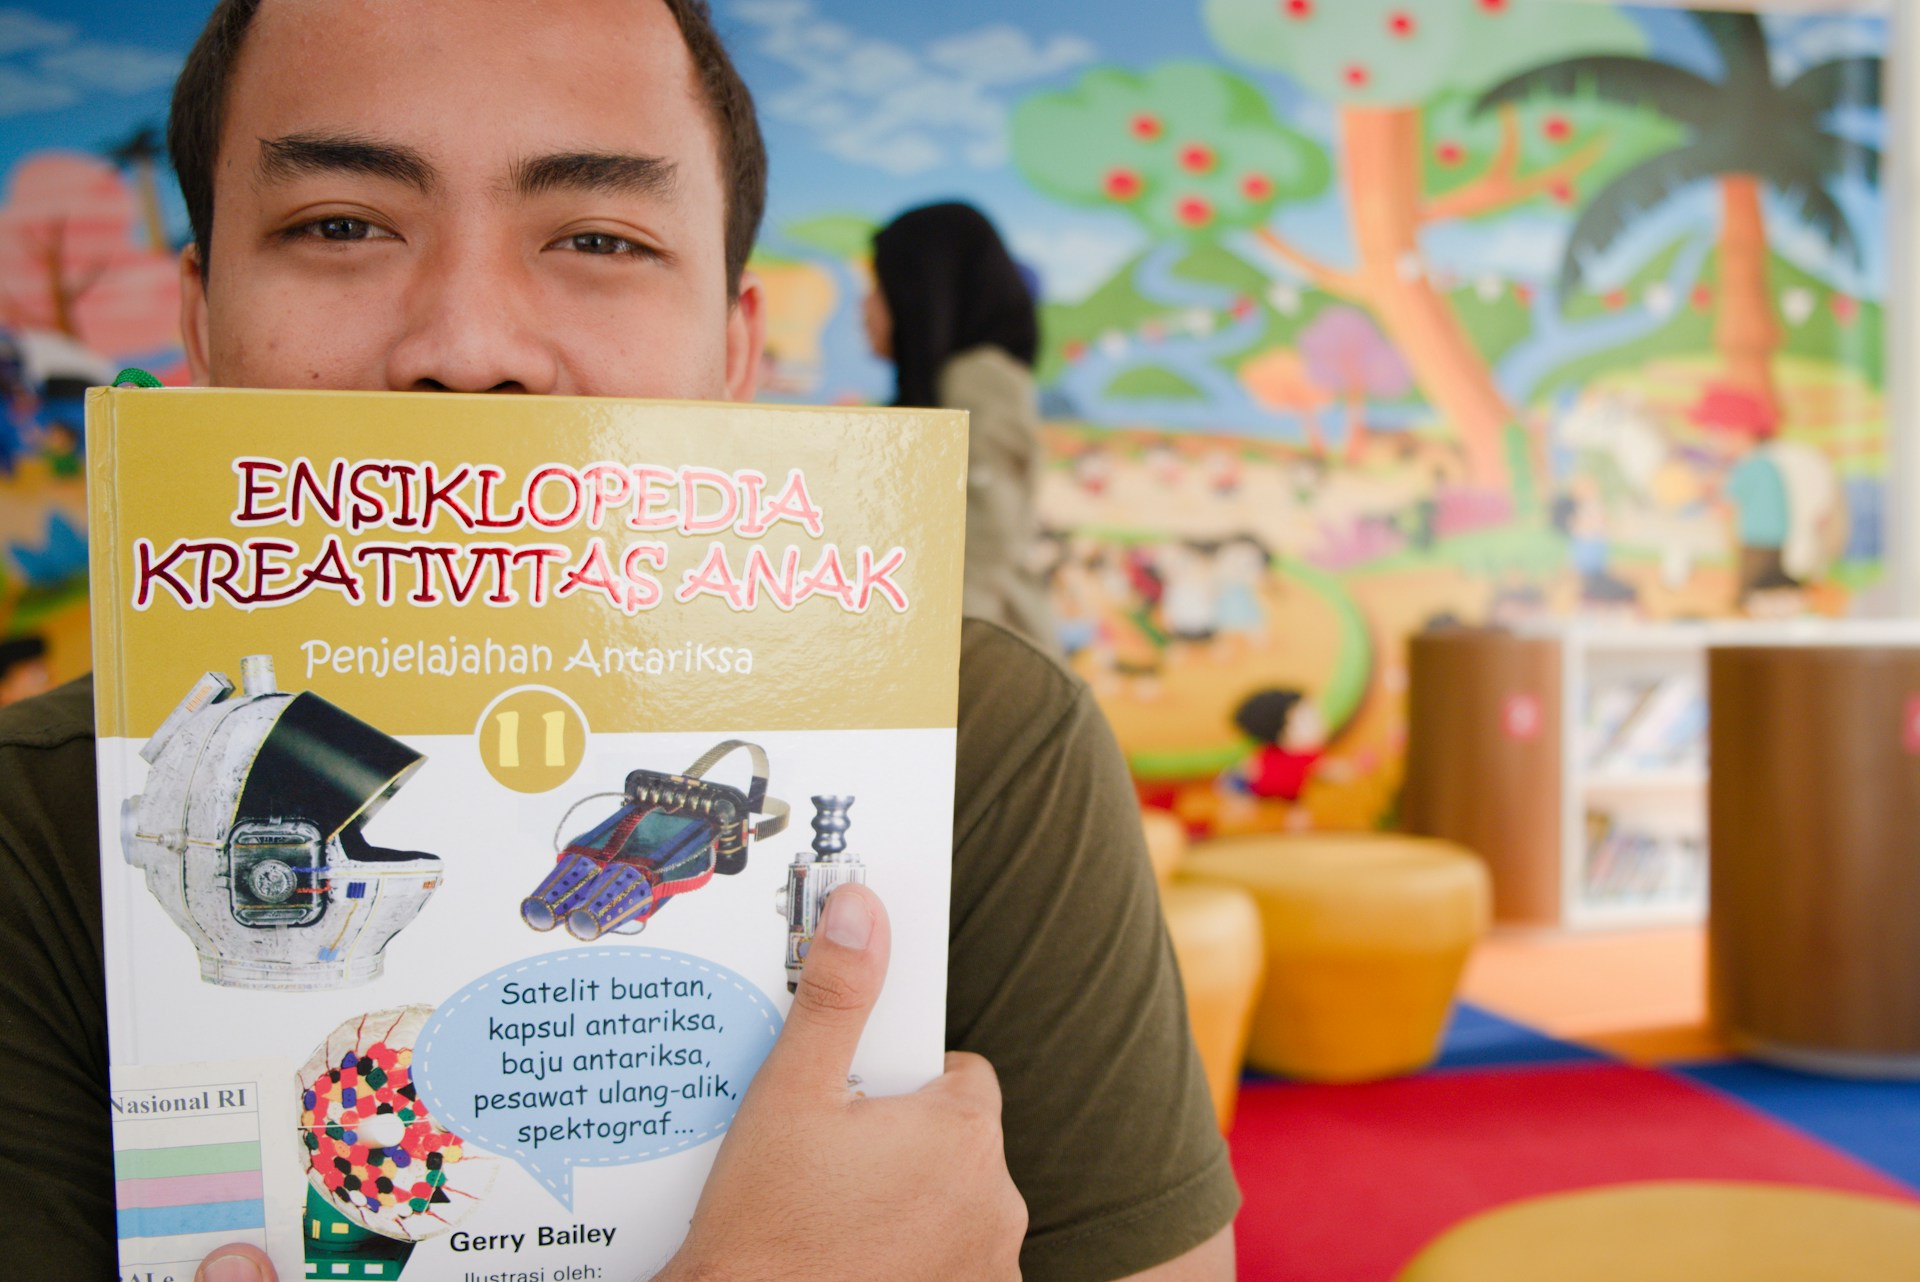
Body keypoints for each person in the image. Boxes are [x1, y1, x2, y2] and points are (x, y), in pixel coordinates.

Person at [0, 3, 1240, 1281]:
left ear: (734, 347)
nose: (470, 352)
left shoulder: (989, 743)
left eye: (599, 236)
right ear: (201, 327)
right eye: (340, 225)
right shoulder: (31, 829)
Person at [866, 202, 1056, 651]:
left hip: (977, 649)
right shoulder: (965, 380)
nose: (867, 305)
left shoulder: (977, 379)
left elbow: (982, 544)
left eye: (879, 286)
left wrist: (939, 661)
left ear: (922, 290)